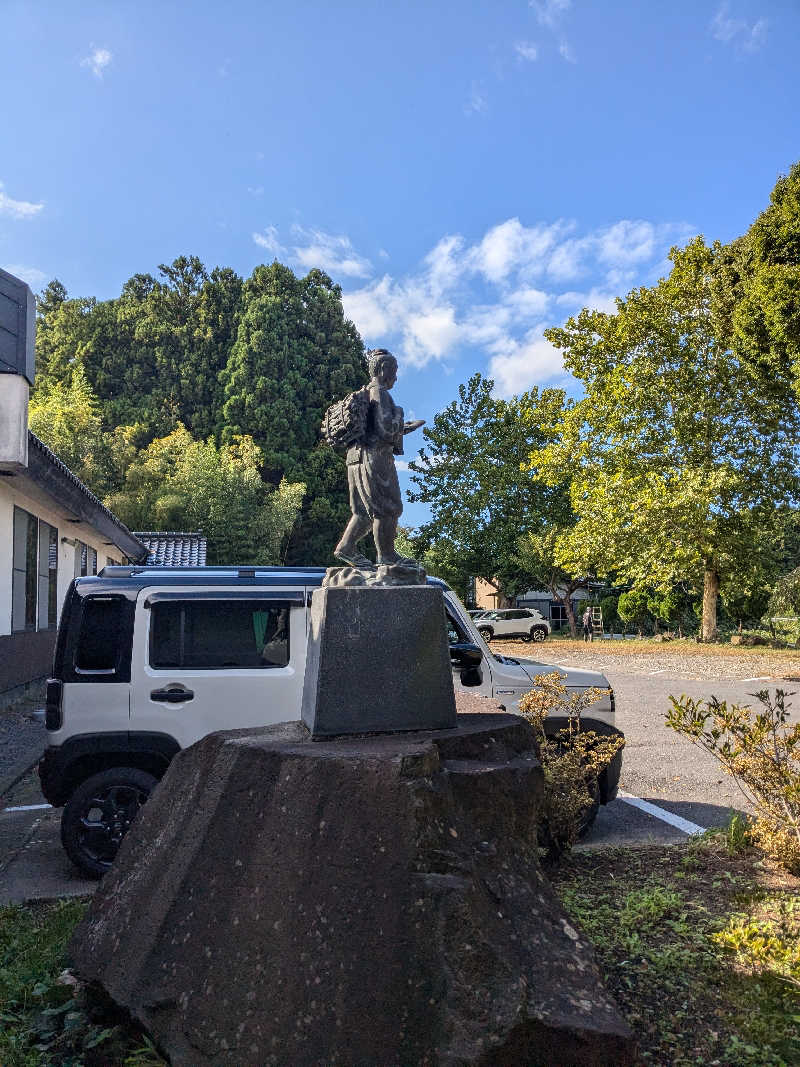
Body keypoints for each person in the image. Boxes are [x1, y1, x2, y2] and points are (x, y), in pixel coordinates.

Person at [334, 349, 424, 568]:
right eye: (394, 371)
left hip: (355, 457)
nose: (396, 377)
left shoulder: (365, 392)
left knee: (362, 512)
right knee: (389, 508)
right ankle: (387, 556)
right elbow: (385, 429)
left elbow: (377, 426)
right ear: (384, 369)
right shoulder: (380, 392)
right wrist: (400, 414)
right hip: (375, 457)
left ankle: (346, 547)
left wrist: (402, 429)